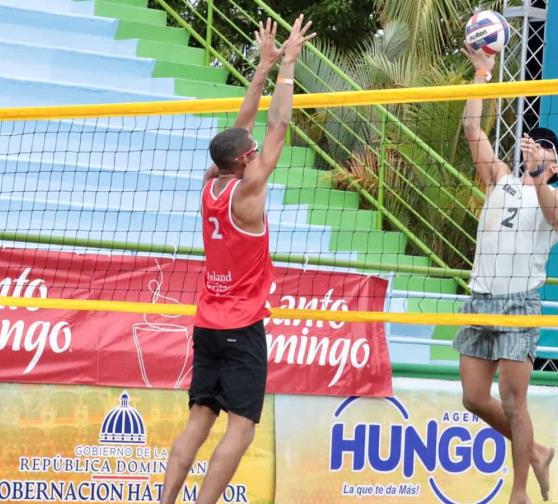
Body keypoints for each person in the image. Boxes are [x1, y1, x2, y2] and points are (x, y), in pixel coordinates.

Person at [158, 16, 315, 504]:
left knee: (199, 421)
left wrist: (262, 68)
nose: (254, 152)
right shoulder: (248, 196)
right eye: (252, 154)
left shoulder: (211, 185)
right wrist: (287, 64)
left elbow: (241, 129)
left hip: (207, 323)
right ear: (246, 161)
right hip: (241, 325)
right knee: (241, 431)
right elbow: (278, 125)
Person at [458, 44, 558, 504]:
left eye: (546, 146)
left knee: (513, 402)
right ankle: (538, 452)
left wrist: (542, 180)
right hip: (480, 297)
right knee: (472, 397)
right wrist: (482, 75)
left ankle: (520, 490)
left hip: (520, 302)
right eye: (535, 141)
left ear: (556, 163)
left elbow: (554, 215)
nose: (537, 146)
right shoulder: (500, 178)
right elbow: (471, 128)